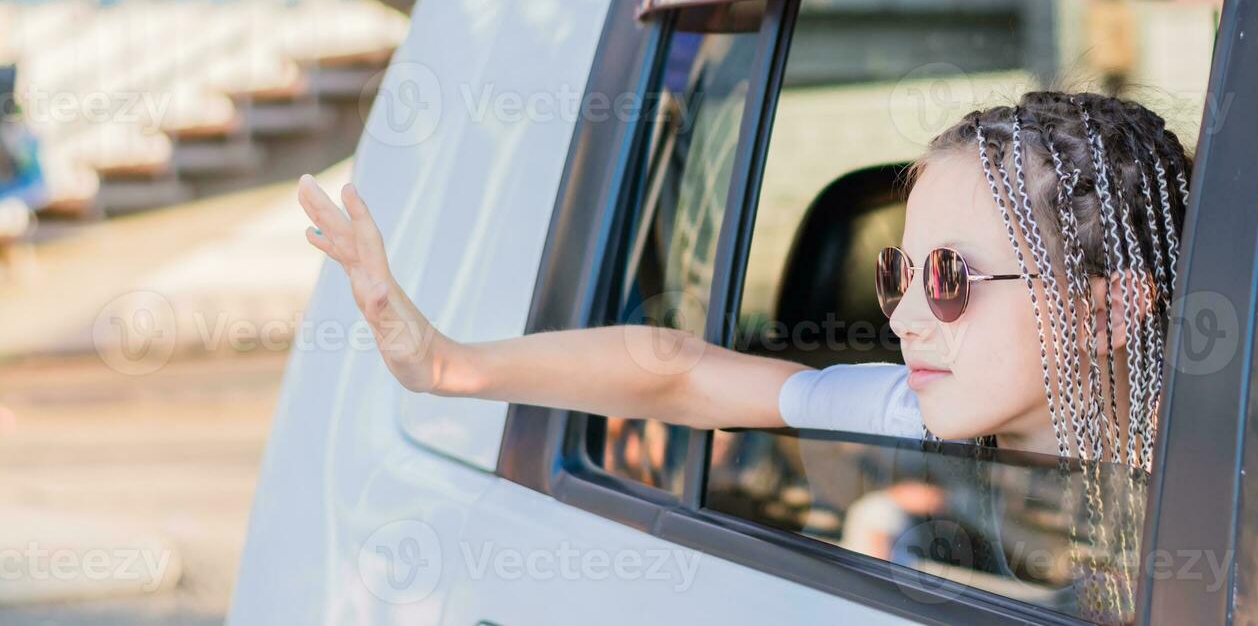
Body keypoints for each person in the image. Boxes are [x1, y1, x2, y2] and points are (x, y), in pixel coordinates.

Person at [296, 89, 1191, 471]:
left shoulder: (1252, 475)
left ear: (1106, 309)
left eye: (951, 279)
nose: (905, 318)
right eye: (896, 274)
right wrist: (443, 365)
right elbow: (680, 370)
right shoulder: (909, 414)